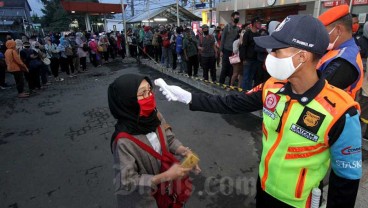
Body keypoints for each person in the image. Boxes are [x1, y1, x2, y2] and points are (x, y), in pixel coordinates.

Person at [156, 15, 362, 208]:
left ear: (302, 56)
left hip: (300, 203)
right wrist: (188, 97)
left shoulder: (342, 111)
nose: (270, 55)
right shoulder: (272, 86)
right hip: (263, 190)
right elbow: (231, 103)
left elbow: (345, 182)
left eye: (277, 50)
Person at [108, 74, 200, 208]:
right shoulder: (123, 142)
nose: (149, 97)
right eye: (142, 94)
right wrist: (166, 176)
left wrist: (184, 151)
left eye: (149, 91)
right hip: (146, 201)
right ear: (127, 101)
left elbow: (168, 139)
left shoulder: (155, 116)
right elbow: (127, 182)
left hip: (169, 192)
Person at [317, 5, 364, 99]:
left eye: (323, 32)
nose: (321, 36)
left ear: (338, 30)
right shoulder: (336, 49)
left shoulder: (344, 60)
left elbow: (318, 91)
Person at [219, 11, 240, 85]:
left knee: (232, 70)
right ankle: (221, 84)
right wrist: (221, 51)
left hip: (234, 52)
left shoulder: (238, 29)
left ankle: (229, 85)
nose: (237, 19)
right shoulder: (227, 27)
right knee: (224, 68)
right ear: (232, 17)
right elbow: (222, 39)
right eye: (236, 17)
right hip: (226, 51)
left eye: (238, 18)